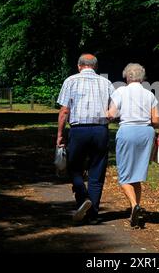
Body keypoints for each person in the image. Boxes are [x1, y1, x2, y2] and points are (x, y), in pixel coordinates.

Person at [57, 54, 115, 224]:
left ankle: (83, 198)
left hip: (78, 130)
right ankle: (93, 213)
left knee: (74, 167)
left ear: (79, 65)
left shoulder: (71, 81)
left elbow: (64, 111)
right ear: (95, 67)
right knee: (97, 169)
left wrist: (60, 135)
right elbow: (114, 108)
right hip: (100, 130)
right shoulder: (106, 83)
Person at [107, 63, 159, 227]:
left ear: (126, 77)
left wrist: (102, 114)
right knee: (136, 174)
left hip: (128, 132)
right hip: (146, 133)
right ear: (142, 77)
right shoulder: (149, 94)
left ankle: (134, 205)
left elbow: (111, 114)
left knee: (123, 175)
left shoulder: (121, 92)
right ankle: (135, 211)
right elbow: (156, 120)